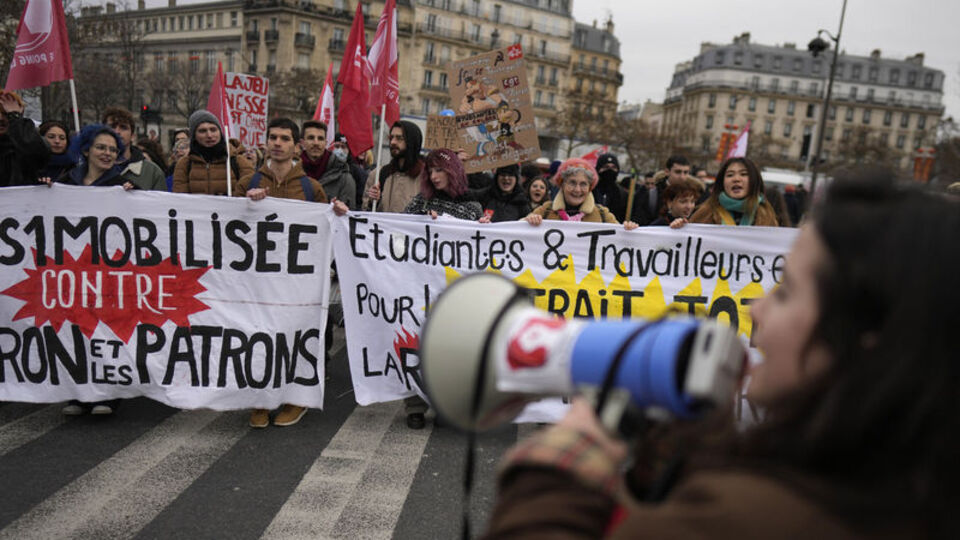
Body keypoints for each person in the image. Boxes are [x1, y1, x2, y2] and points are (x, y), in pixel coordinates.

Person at [483, 173, 960, 538]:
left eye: (787, 292)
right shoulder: (900, 486)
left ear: (866, 337)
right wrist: (694, 453)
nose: (756, 307)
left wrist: (568, 453)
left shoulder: (754, 520)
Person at [235, 118, 328, 428]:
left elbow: (325, 231)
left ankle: (294, 399)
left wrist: (338, 214)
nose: (277, 143)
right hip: (257, 280)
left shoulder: (310, 188)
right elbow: (226, 224)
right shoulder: (247, 183)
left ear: (295, 146)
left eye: (284, 138)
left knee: (293, 339)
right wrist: (244, 205)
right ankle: (260, 400)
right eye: (272, 137)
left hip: (296, 283)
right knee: (258, 337)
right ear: (265, 142)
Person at [524, 157, 637, 229]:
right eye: (572, 183)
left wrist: (628, 230)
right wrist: (529, 222)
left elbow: (622, 238)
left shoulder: (602, 214)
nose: (577, 190)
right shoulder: (546, 210)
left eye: (583, 184)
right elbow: (517, 230)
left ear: (589, 188)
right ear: (562, 185)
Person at [172, 109, 254, 195]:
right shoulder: (184, 164)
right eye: (202, 131)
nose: (209, 135)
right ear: (194, 136)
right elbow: (180, 198)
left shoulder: (238, 161)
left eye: (213, 130)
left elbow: (251, 189)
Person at [689, 157, 777, 226]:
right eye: (730, 175)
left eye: (743, 174)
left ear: (754, 180)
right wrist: (680, 227)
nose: (736, 179)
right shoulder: (706, 212)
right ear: (722, 181)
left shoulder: (766, 215)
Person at [363, 120, 424, 212]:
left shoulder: (426, 177)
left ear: (412, 141)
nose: (393, 142)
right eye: (391, 137)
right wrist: (373, 201)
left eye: (399, 138)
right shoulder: (378, 175)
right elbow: (365, 214)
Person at [101, 107, 166, 191]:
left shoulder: (152, 172)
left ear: (132, 136)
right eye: (112, 126)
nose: (117, 131)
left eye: (123, 127)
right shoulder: (91, 169)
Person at [0, 90, 49, 187]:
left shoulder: (23, 146)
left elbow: (35, 154)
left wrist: (14, 117)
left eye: (5, 114)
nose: (0, 119)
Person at [318, 136, 358, 209]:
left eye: (343, 147)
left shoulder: (352, 175)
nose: (340, 150)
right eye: (336, 146)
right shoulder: (320, 167)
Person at [593, 153, 627, 222]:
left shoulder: (623, 194)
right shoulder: (589, 190)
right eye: (606, 167)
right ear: (598, 169)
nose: (610, 171)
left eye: (613, 167)